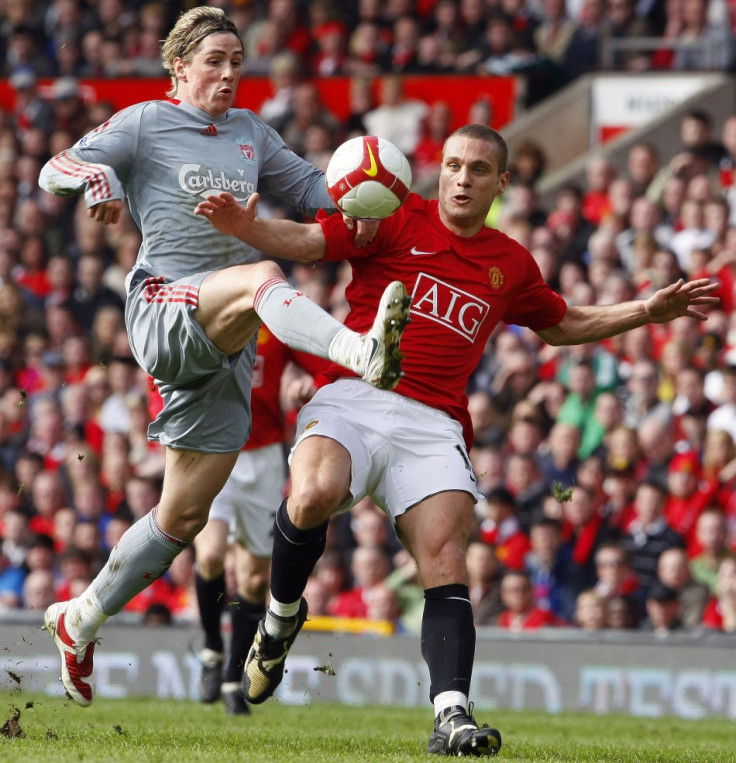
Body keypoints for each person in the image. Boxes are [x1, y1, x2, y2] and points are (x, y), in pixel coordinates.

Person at [196, 123, 718, 758]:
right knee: (311, 495)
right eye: (452, 165)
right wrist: (244, 228)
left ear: (501, 182)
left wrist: (643, 311)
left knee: (445, 557)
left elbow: (562, 323)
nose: (462, 179)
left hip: (434, 422)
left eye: (477, 169)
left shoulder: (510, 262)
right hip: (353, 392)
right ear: (437, 171)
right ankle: (279, 620)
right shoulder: (388, 215)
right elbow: (308, 241)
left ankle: (453, 716)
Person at [38, 6, 411, 711]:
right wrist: (95, 181)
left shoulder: (250, 135)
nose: (229, 73)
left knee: (181, 518)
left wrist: (363, 205)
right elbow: (58, 167)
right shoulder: (146, 122)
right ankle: (359, 352)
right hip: (165, 307)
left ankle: (79, 618)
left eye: (237, 61)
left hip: (228, 341)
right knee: (263, 274)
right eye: (214, 59)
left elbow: (313, 192)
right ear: (178, 67)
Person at [193, 325, 319, 716]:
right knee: (211, 553)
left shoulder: (278, 322)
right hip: (212, 446)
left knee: (252, 578)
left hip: (263, 456)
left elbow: (319, 364)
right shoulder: (208, 313)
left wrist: (307, 385)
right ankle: (213, 646)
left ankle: (234, 675)